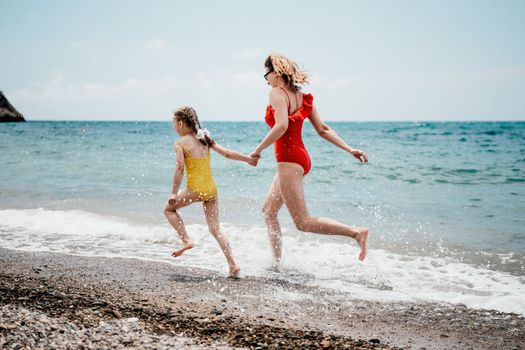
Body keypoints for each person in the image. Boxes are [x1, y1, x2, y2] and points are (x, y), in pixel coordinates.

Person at [249, 54, 370, 267]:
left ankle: (356, 233)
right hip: (300, 158)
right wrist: (350, 149)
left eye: (265, 75)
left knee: (303, 222)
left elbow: (281, 126)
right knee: (268, 211)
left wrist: (257, 150)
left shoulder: (276, 93)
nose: (266, 80)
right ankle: (276, 264)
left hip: (289, 159)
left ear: (275, 74)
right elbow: (323, 129)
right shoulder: (302, 97)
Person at [164, 106, 252, 278]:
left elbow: (180, 168)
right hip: (211, 190)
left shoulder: (180, 143)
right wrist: (247, 158)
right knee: (216, 229)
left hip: (194, 190)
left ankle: (186, 240)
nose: (174, 127)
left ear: (180, 123)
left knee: (168, 209)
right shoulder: (205, 139)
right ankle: (233, 265)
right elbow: (227, 154)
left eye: (174, 123)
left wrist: (174, 193)